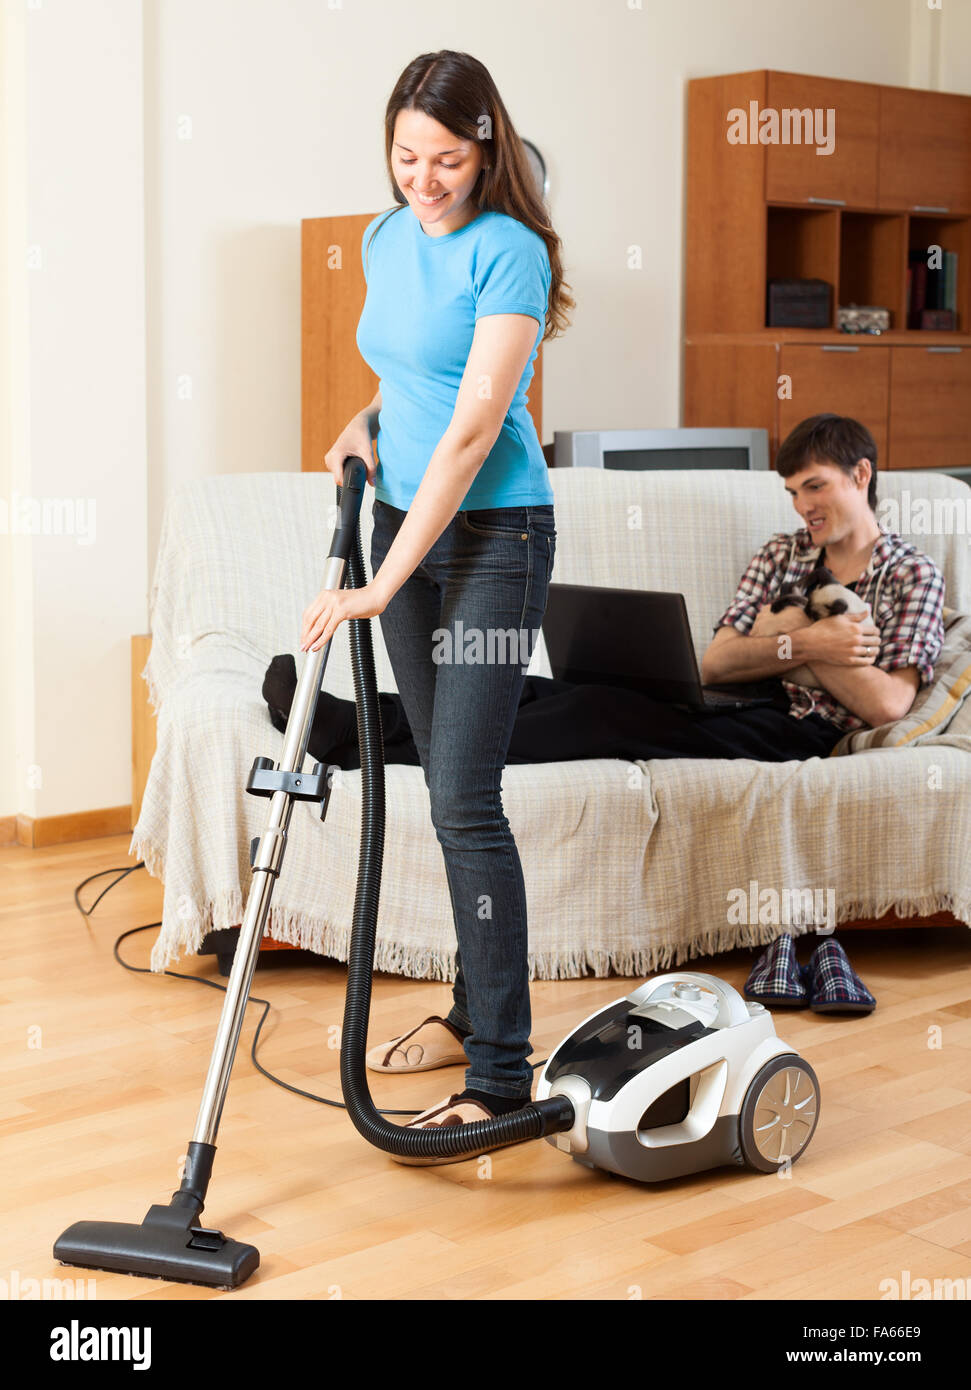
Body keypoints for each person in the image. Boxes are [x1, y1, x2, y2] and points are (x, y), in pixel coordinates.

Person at [295, 50, 575, 1158]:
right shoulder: (381, 235)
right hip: (400, 519)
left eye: (445, 158)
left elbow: (470, 429)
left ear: (486, 147)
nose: (422, 178)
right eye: (405, 156)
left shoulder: (511, 251)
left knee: (464, 795)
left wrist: (381, 578)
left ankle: (500, 1073)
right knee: (441, 792)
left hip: (495, 539)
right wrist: (363, 424)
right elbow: (411, 378)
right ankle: (472, 1014)